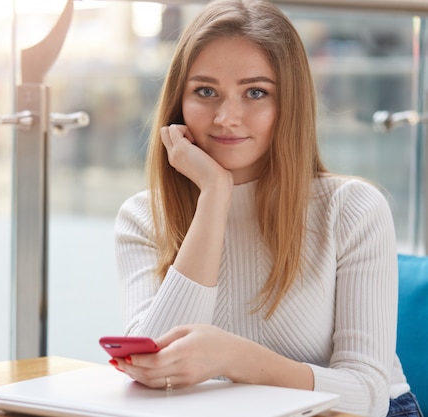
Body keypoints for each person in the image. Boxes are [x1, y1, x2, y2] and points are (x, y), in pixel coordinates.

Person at [110, 1, 423, 417]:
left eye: (255, 92)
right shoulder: (142, 218)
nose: (226, 117)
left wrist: (231, 358)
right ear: (178, 102)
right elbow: (153, 368)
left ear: (288, 104)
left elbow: (366, 394)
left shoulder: (354, 209)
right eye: (205, 91)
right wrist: (214, 197)